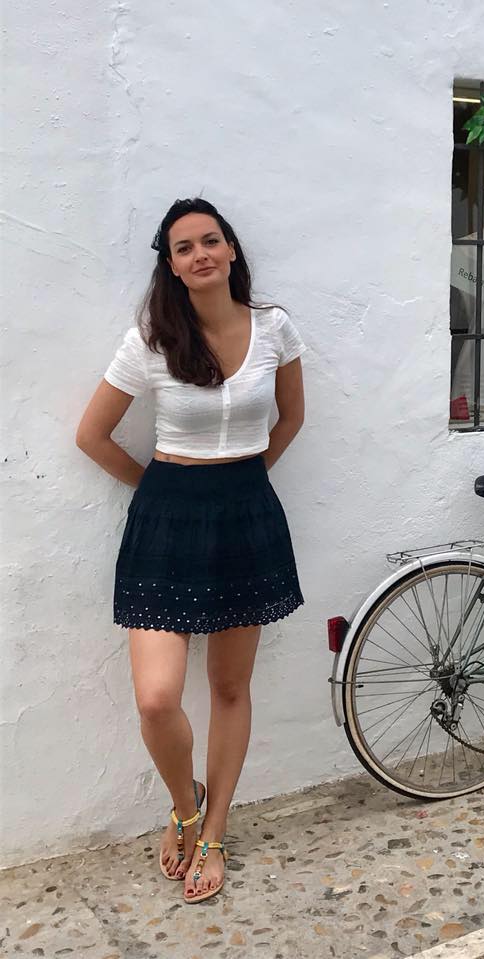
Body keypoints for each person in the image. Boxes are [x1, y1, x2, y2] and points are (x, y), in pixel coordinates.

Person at [75, 197, 307, 904]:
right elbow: (91, 435)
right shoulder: (151, 340)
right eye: (184, 247)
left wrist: (244, 483)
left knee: (231, 688)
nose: (200, 254)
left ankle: (216, 830)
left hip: (246, 516)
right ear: (171, 266)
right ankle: (185, 805)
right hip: (166, 521)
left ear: (231, 250)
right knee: (156, 699)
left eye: (211, 240)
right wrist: (162, 489)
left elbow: (291, 417)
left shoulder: (274, 327)